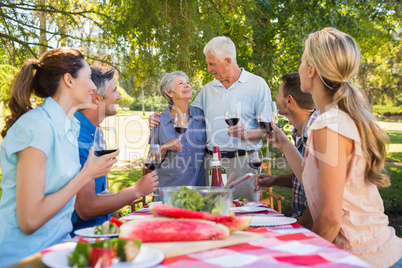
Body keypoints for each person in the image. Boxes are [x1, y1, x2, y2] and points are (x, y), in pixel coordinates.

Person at [269, 28, 401, 267]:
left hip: (364, 258)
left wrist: (299, 261)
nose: (299, 68)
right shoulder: (333, 119)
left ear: (311, 70)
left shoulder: (329, 126)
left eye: (302, 60)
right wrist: (294, 236)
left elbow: (329, 219)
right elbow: (316, 187)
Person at [0, 48, 118, 266]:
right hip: (25, 257)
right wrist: (86, 175)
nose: (94, 86)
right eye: (89, 78)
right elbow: (30, 220)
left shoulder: (70, 126)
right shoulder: (37, 126)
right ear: (69, 80)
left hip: (60, 248)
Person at [150, 37, 271, 201]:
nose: (208, 69)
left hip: (243, 163)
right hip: (210, 164)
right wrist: (157, 117)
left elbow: (268, 130)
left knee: (246, 212)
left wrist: (248, 134)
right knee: (210, 212)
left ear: (227, 61)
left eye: (211, 63)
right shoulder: (208, 89)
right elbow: (184, 111)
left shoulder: (257, 85)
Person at [71, 66, 158, 232]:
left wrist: (119, 223)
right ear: (97, 98)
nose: (118, 97)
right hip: (81, 238)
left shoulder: (96, 132)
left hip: (102, 230)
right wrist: (137, 190)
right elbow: (86, 208)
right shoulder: (77, 136)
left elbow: (101, 193)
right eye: (115, 91)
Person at [254, 72, 317, 229]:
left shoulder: (317, 134)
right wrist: (276, 180)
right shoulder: (299, 132)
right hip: (298, 220)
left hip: (312, 229)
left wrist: (294, 231)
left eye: (278, 93)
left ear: (289, 100)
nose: (275, 97)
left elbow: (319, 194)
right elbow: (306, 174)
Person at [149, 71, 206, 193]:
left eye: (188, 83)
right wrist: (164, 148)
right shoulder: (158, 121)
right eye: (181, 83)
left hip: (199, 195)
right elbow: (150, 161)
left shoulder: (201, 116)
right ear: (169, 92)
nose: (187, 86)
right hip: (169, 195)